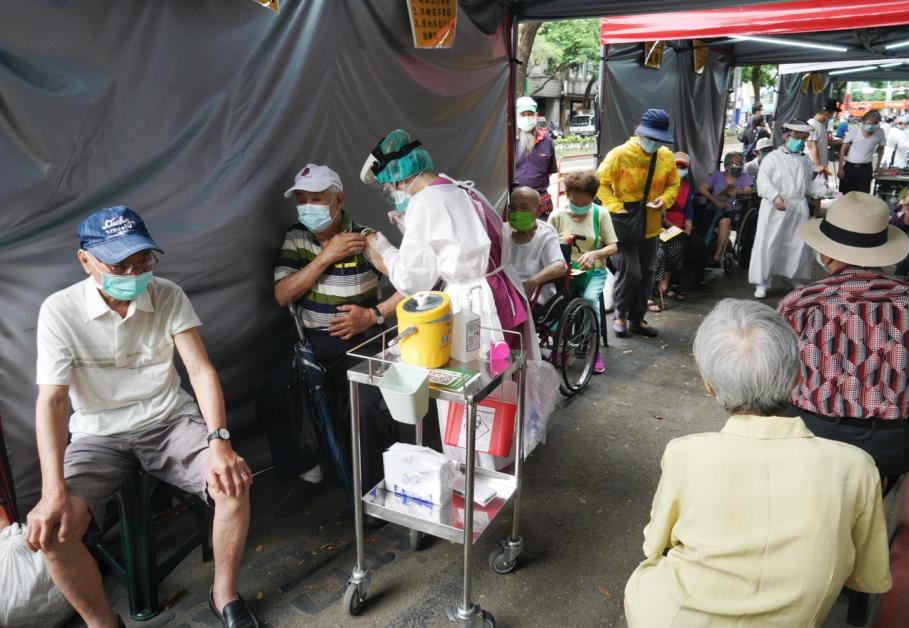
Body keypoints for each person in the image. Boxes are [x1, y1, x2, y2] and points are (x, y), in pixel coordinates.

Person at [29, 206, 259, 628]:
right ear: (86, 261)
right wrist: (52, 491)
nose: (135, 274)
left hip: (168, 421)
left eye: (144, 261)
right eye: (121, 264)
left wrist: (219, 442)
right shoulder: (59, 311)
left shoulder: (168, 294)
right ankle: (103, 623)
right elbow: (54, 402)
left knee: (233, 484)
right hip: (98, 436)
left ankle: (223, 595)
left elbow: (200, 369)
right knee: (55, 532)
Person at [624, 299, 892, 627]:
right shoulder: (856, 467)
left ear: (710, 386)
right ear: (796, 377)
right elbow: (867, 573)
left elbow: (654, 543)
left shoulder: (684, 453)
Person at [780, 192, 909, 492]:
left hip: (808, 439)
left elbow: (774, 377)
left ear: (826, 254)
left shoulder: (801, 303)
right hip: (887, 449)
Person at [261, 164, 403, 518]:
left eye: (317, 199)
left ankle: (369, 494)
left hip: (362, 343)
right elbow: (282, 294)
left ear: (339, 199)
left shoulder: (367, 238)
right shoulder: (297, 237)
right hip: (311, 344)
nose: (308, 206)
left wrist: (374, 315)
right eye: (302, 200)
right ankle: (308, 472)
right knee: (272, 395)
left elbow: (415, 281)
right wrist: (326, 256)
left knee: (364, 403)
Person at [362, 129, 536, 352]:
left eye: (389, 188)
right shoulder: (457, 187)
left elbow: (413, 281)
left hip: (477, 305)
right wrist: (411, 230)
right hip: (505, 292)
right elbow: (461, 239)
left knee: (480, 377)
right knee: (510, 372)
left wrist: (386, 250)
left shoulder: (423, 203)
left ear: (400, 179)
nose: (393, 195)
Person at [597, 108, 680, 339]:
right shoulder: (619, 154)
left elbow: (674, 185)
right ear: (640, 133)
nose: (654, 143)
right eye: (650, 137)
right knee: (631, 272)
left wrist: (663, 200)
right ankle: (620, 315)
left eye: (658, 139)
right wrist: (615, 205)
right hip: (624, 223)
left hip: (651, 224)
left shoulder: (666, 157)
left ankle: (637, 318)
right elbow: (599, 183)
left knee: (647, 273)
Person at [549, 171, 618, 373]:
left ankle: (592, 350)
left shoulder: (600, 214)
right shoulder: (557, 215)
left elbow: (613, 246)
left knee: (589, 301)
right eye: (575, 201)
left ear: (592, 197)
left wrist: (594, 254)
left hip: (593, 272)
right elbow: (547, 245)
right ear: (567, 195)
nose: (579, 207)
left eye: (584, 202)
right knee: (553, 304)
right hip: (564, 272)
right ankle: (559, 347)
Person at [749, 120, 826, 299]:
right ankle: (762, 281)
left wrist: (820, 189)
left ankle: (792, 276)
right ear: (786, 136)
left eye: (803, 138)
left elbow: (806, 184)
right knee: (769, 243)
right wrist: (775, 196)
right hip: (775, 208)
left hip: (798, 207)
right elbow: (763, 180)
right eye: (797, 137)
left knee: (796, 244)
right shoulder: (773, 158)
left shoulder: (805, 159)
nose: (800, 141)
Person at [653, 152, 707, 302]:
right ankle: (673, 284)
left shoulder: (686, 187)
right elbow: (660, 214)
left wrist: (688, 226)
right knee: (681, 246)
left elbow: (688, 209)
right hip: (665, 226)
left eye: (683, 166)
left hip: (682, 226)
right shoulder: (662, 186)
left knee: (700, 245)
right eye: (677, 166)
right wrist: (675, 229)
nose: (680, 169)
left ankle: (700, 281)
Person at [501, 186, 566, 304]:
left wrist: (532, 282)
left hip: (535, 297)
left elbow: (560, 266)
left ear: (539, 210)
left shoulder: (546, 233)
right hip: (507, 293)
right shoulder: (503, 230)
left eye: (524, 208)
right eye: (513, 208)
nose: (517, 213)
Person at [699, 151, 752, 268]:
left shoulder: (743, 177)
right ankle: (700, 253)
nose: (739, 165)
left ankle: (717, 257)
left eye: (740, 163)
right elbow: (702, 188)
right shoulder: (718, 175)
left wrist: (738, 192)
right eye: (736, 163)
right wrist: (715, 201)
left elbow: (748, 190)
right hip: (714, 208)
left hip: (733, 212)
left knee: (725, 221)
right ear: (727, 164)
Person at [514, 96, 558, 217]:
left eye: (530, 114)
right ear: (516, 116)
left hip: (541, 200)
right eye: (523, 114)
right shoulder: (508, 140)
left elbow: (550, 171)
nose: (527, 117)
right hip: (515, 201)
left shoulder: (547, 140)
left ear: (536, 115)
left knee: (542, 233)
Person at [838, 110, 885, 194]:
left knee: (862, 195)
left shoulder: (880, 132)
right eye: (869, 122)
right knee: (845, 194)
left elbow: (881, 149)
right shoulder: (854, 130)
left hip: (866, 169)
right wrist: (840, 168)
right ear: (863, 122)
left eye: (874, 123)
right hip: (850, 167)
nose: (871, 125)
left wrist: (878, 167)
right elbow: (843, 149)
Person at [806, 98, 840, 175]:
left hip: (821, 167)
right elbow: (811, 145)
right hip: (813, 167)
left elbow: (825, 143)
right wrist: (818, 165)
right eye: (833, 113)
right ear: (826, 113)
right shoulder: (812, 125)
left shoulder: (820, 125)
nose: (832, 116)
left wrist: (842, 141)